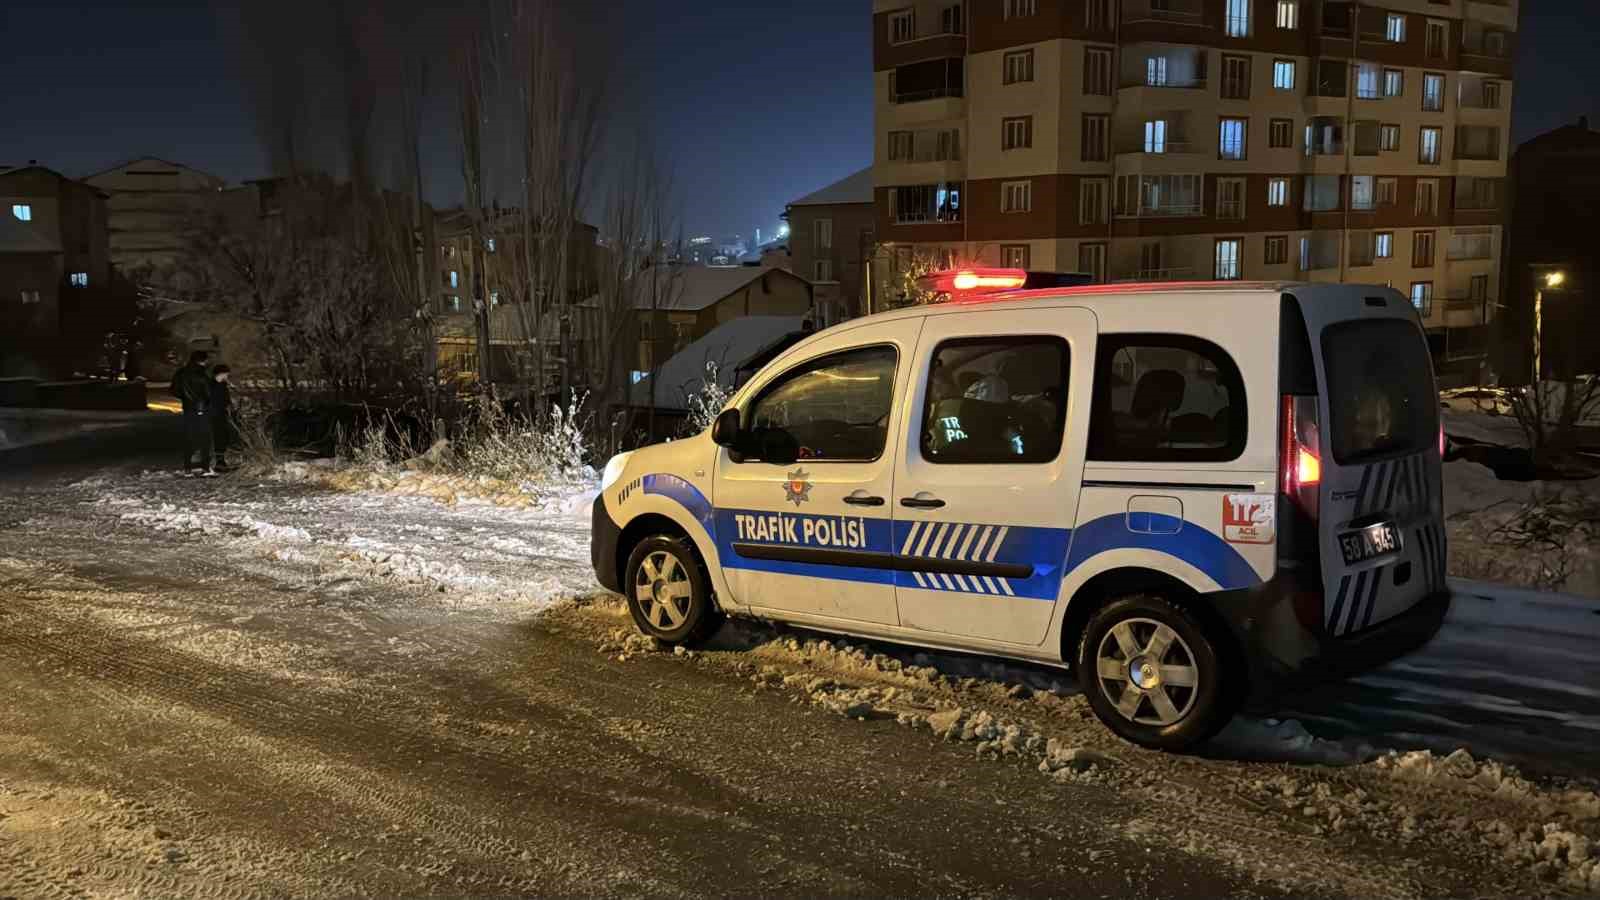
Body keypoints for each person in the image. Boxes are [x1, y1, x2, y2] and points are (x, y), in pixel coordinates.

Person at [171, 350, 216, 477]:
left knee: (189, 437)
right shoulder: (202, 374)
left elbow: (174, 390)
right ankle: (205, 467)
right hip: (202, 408)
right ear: (203, 360)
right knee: (205, 437)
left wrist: (186, 398)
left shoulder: (181, 373)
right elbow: (208, 393)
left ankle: (188, 468)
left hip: (188, 408)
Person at [209, 364, 234, 471]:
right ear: (222, 373)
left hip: (222, 414)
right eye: (227, 373)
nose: (228, 375)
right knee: (217, 437)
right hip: (214, 414)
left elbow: (226, 400)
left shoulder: (223, 385)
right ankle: (218, 461)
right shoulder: (211, 385)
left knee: (223, 438)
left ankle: (221, 461)